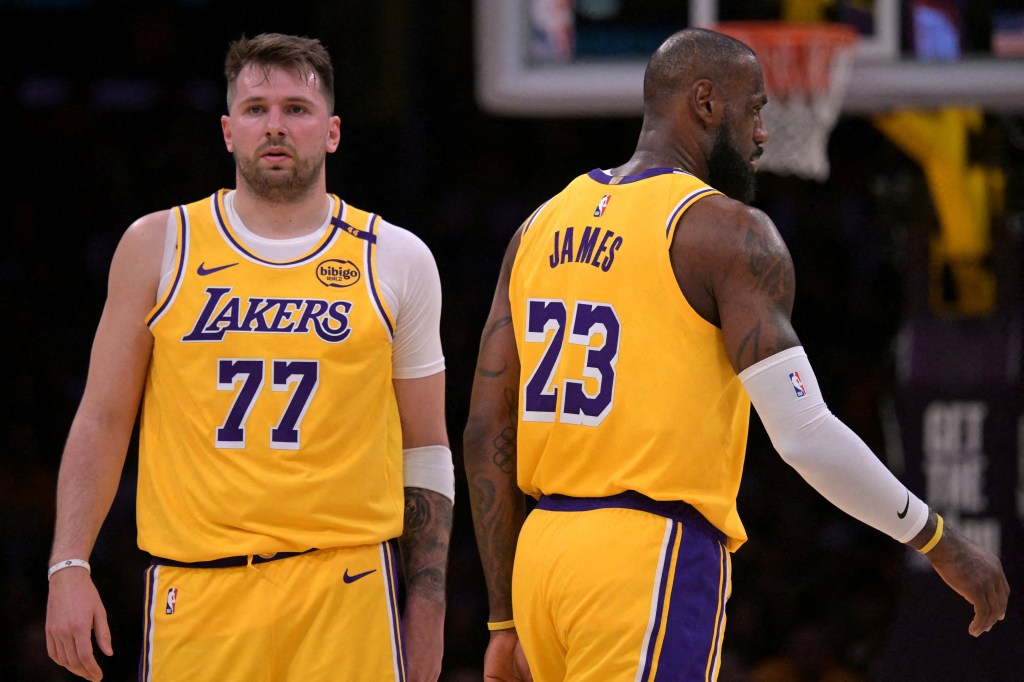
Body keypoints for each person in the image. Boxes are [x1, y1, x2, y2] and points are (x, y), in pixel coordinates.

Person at [463, 27, 1008, 681]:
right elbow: (804, 433)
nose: (763, 134)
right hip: (646, 552)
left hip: (541, 558)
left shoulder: (538, 225)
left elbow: (486, 428)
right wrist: (935, 539)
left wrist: (503, 620)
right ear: (704, 102)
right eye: (754, 109)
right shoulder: (725, 232)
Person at [45, 32, 453, 682]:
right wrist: (69, 563)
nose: (276, 125)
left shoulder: (396, 256)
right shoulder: (157, 246)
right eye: (258, 108)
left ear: (333, 132)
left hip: (346, 591)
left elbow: (426, 444)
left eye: (297, 108)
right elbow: (102, 417)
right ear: (229, 130)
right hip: (199, 590)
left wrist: (427, 608)